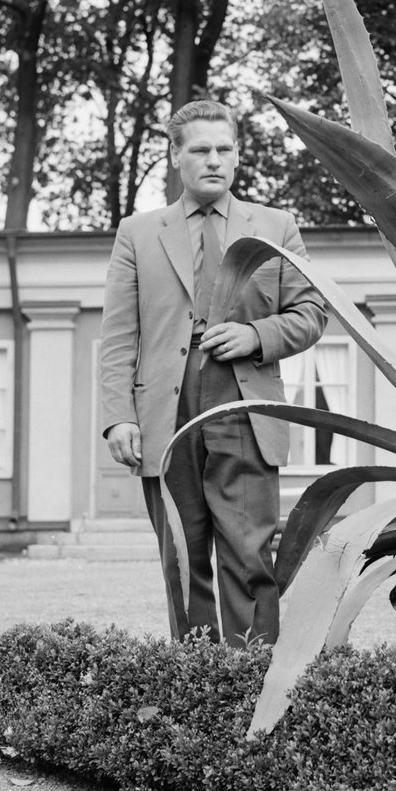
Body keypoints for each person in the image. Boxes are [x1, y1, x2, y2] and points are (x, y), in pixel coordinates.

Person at [99, 100, 327, 647]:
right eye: (200, 150)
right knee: (182, 560)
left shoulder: (276, 227)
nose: (214, 160)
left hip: (245, 407)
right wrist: (117, 419)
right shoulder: (138, 232)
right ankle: (199, 691)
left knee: (250, 556)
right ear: (175, 156)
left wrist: (256, 336)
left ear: (237, 156)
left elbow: (312, 312)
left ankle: (252, 685)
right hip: (166, 414)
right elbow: (117, 336)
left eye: (225, 149)